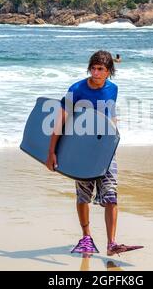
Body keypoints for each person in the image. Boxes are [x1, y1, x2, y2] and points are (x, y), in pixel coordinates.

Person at [45, 50, 143, 256]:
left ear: (109, 72)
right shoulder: (77, 89)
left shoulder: (112, 89)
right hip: (81, 149)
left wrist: (114, 135)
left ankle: (111, 243)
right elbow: (60, 121)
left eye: (101, 69)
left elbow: (109, 115)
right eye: (93, 68)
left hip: (105, 150)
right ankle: (86, 237)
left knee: (111, 196)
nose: (96, 73)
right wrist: (51, 152)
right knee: (83, 196)